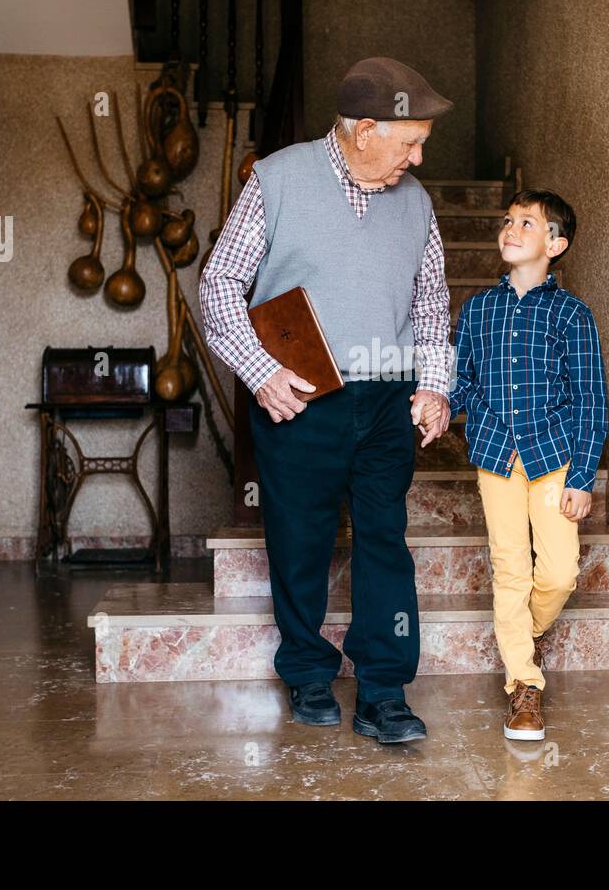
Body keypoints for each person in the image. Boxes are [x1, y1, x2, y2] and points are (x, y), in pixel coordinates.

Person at [199, 57, 455, 744]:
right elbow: (221, 282)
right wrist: (261, 373)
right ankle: (308, 672)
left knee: (384, 542)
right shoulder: (278, 180)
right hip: (303, 397)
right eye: (410, 141)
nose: (419, 156)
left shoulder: (417, 202)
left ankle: (383, 689)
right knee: (299, 538)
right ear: (365, 130)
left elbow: (430, 300)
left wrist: (434, 384)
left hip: (387, 401)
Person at [438, 188, 608, 740]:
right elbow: (463, 382)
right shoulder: (478, 310)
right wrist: (439, 405)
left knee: (558, 571)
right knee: (509, 568)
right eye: (507, 221)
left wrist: (582, 477)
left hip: (554, 457)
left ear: (555, 244)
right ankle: (524, 687)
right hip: (494, 456)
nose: (510, 230)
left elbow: (590, 401)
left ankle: (520, 632)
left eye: (526, 224)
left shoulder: (572, 315)